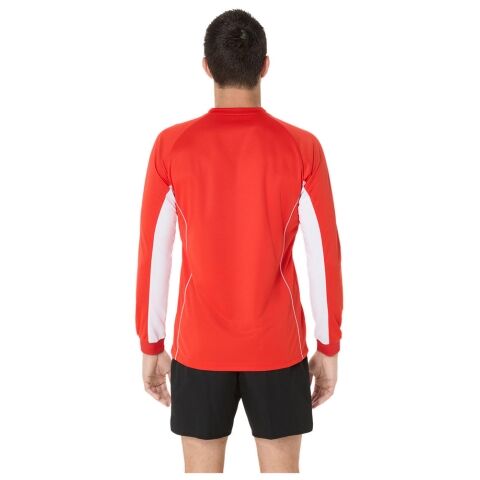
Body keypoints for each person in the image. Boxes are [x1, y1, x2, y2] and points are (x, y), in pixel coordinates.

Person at [135, 8, 343, 473]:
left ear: (207, 67)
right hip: (278, 348)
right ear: (265, 66)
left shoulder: (172, 146)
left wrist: (151, 345)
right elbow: (324, 257)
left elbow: (154, 254)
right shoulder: (302, 147)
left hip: (199, 349)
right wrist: (328, 347)